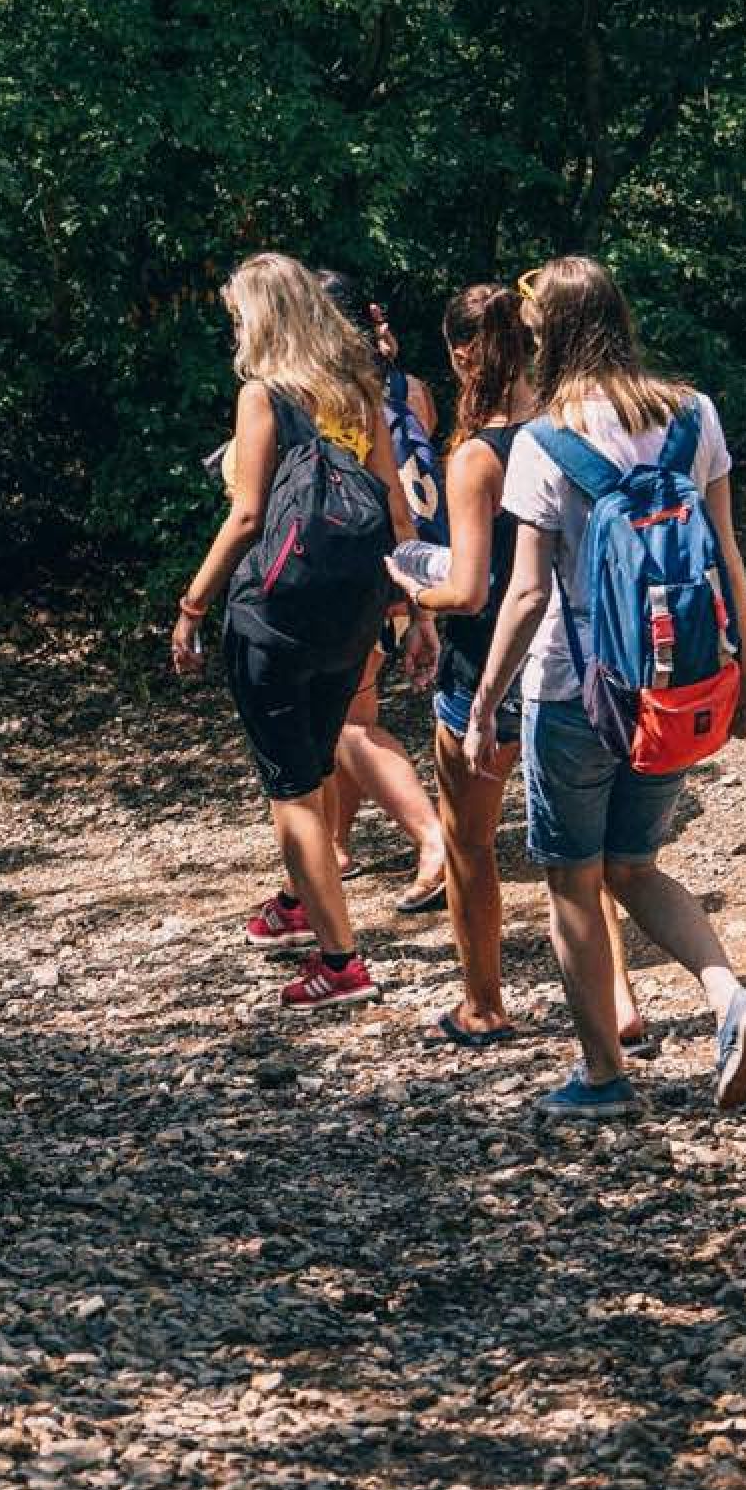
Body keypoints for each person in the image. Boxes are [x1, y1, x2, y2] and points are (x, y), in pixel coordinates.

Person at [463, 256, 746, 1121]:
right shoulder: (693, 412)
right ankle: (730, 998)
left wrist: (486, 702)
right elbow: (726, 554)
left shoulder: (541, 441)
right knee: (636, 866)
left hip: (573, 691)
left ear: (546, 337)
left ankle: (602, 1077)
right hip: (673, 686)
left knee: (572, 880)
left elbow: (527, 593)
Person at [385, 282, 652, 1053]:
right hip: (578, 660)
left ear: (463, 353)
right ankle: (621, 1003)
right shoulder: (568, 428)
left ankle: (484, 1003)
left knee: (469, 842)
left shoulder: (478, 456)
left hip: (490, 672)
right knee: (584, 851)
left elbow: (471, 590)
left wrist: (411, 588)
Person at [171, 253, 440, 1013]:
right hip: (354, 609)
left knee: (289, 789)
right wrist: (417, 611)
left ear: (260, 317)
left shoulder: (264, 396)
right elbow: (396, 508)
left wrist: (193, 607)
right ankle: (299, 906)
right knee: (316, 761)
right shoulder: (357, 389)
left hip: (276, 611)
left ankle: (340, 962)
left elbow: (248, 515)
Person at [313, 270, 449, 913]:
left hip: (363, 567)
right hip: (419, 562)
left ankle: (432, 838)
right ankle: (335, 843)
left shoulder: (327, 398)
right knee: (353, 709)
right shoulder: (410, 387)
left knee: (348, 721)